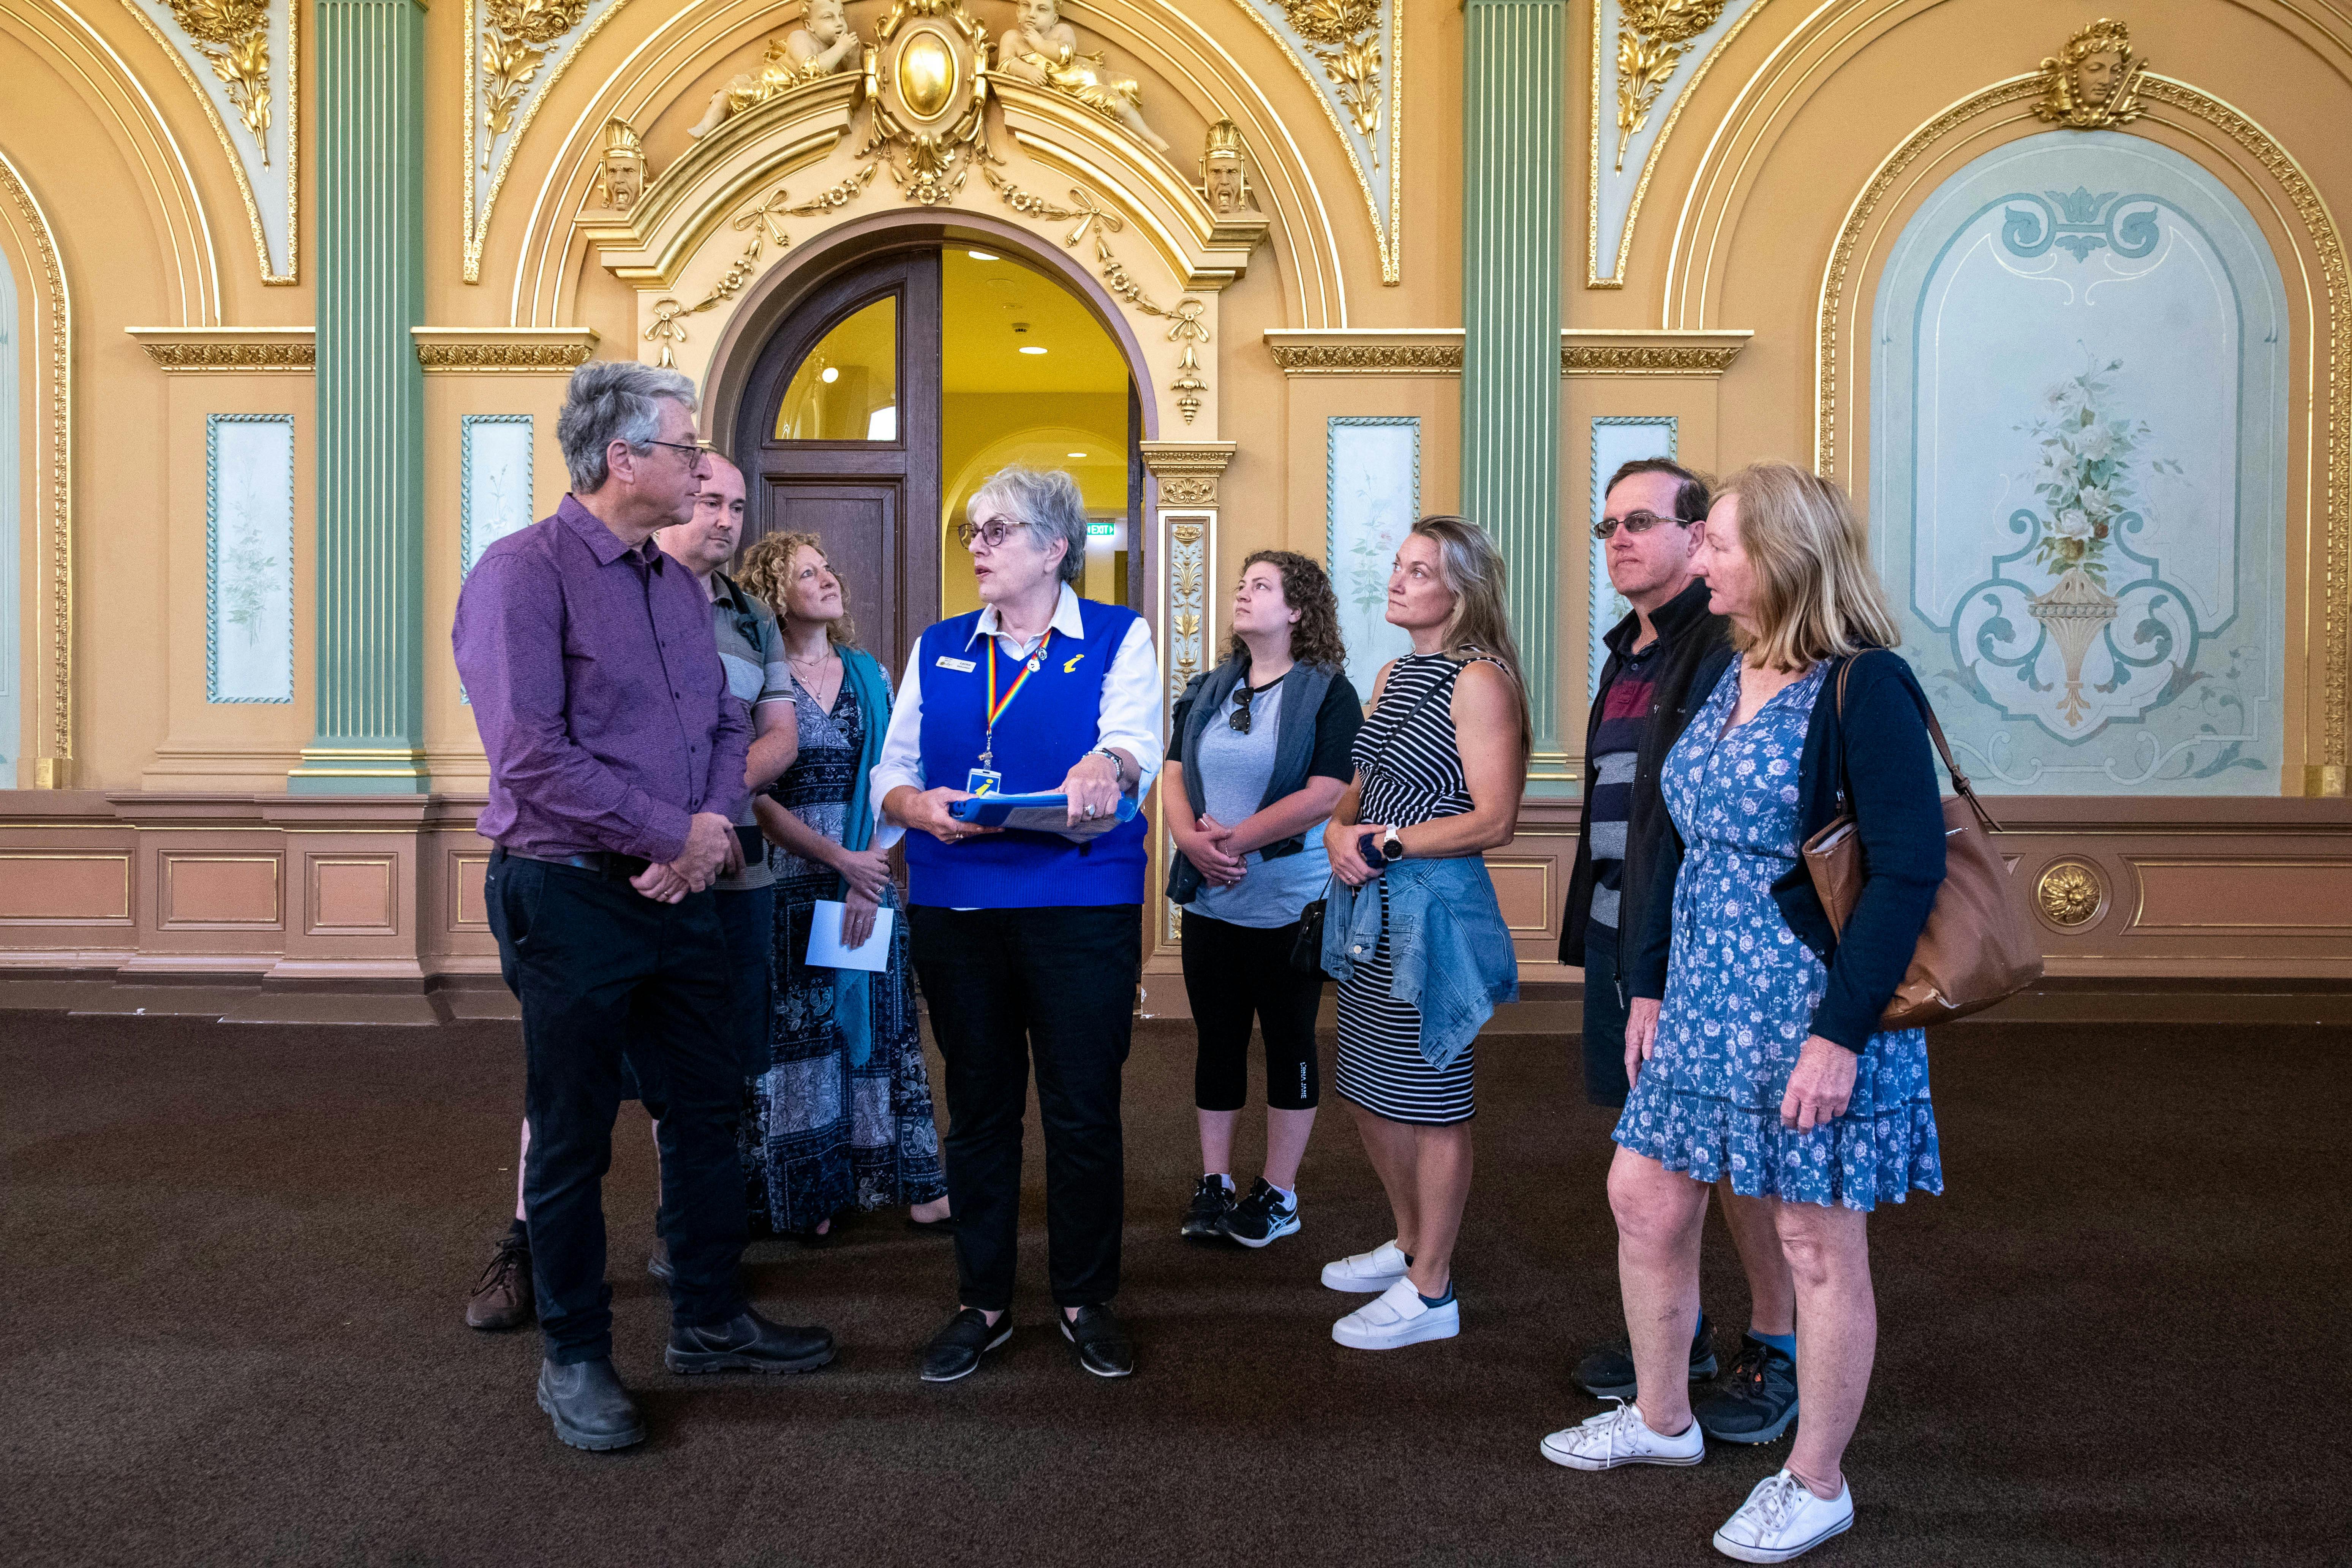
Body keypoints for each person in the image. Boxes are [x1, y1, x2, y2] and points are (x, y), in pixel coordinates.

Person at [1540, 462, 1946, 1566]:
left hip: (1810, 1008)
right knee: (1644, 1194)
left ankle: (1817, 1481)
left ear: (1778, 556)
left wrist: (1840, 1036)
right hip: (1705, 1003)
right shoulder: (1731, 671)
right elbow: (1681, 846)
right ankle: (1663, 1419)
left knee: (1815, 1243)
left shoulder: (1867, 686)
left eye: (1717, 542)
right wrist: (1655, 983)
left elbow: (1908, 872)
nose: (1701, 559)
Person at [453, 360, 834, 1454]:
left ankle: (710, 1319)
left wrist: (705, 831)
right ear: (626, 458)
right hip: (568, 894)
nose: (698, 463)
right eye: (683, 447)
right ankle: (574, 1359)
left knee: (707, 1110)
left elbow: (721, 731)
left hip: (682, 892)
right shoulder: (522, 575)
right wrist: (670, 835)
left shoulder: (674, 584)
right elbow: (529, 756)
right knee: (572, 1140)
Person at [874, 465, 1161, 1383]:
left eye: (998, 532)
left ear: (1055, 547)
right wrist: (914, 808)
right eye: (973, 532)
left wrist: (1105, 765)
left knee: (1081, 1109)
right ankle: (983, 1303)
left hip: (1081, 905)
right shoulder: (941, 644)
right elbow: (894, 768)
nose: (979, 547)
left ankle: (1085, 1297)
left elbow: (1136, 744)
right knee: (981, 1110)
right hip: (960, 905)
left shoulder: (1120, 635)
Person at [1560, 459, 1802, 1446]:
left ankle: (1775, 1346)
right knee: (1658, 1146)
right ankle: (1685, 1334)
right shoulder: (1630, 650)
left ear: (1697, 538)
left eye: (1643, 522)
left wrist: (1665, 966)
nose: (1618, 539)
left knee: (1738, 1153)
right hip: (1629, 927)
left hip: (1707, 940)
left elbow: (1694, 816)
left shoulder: (1722, 647)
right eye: (1607, 525)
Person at [1315, 516, 1525, 1351]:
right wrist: (1339, 831)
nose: (1397, 582)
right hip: (1371, 903)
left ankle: (1433, 1288)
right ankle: (1409, 1243)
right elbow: (1357, 786)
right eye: (1397, 567)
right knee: (1369, 1087)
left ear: (1460, 590)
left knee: (1433, 1098)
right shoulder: (1395, 672)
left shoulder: (1479, 679)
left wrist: (1388, 842)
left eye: (1418, 570)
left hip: (1433, 907)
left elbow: (1497, 819)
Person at [732, 529, 952, 1238]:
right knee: (800, 1039)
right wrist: (837, 859)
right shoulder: (764, 684)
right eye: (806, 573)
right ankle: (808, 1192)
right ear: (774, 594)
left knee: (883, 1034)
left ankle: (911, 1181)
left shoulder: (870, 675)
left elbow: (895, 782)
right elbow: (753, 798)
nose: (828, 580)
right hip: (790, 880)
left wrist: (868, 873)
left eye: (828, 569)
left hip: (868, 881)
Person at [1165, 551, 1362, 1247]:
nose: (1243, 594)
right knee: (1216, 1040)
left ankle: (1279, 1192)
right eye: (1241, 583)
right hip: (1210, 902)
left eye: (1261, 587)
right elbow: (1173, 771)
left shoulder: (1329, 692)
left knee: (1287, 1041)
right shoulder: (1209, 687)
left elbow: (1328, 793)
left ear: (1298, 610)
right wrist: (1192, 842)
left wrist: (1233, 842)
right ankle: (1215, 1182)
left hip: (1288, 903)